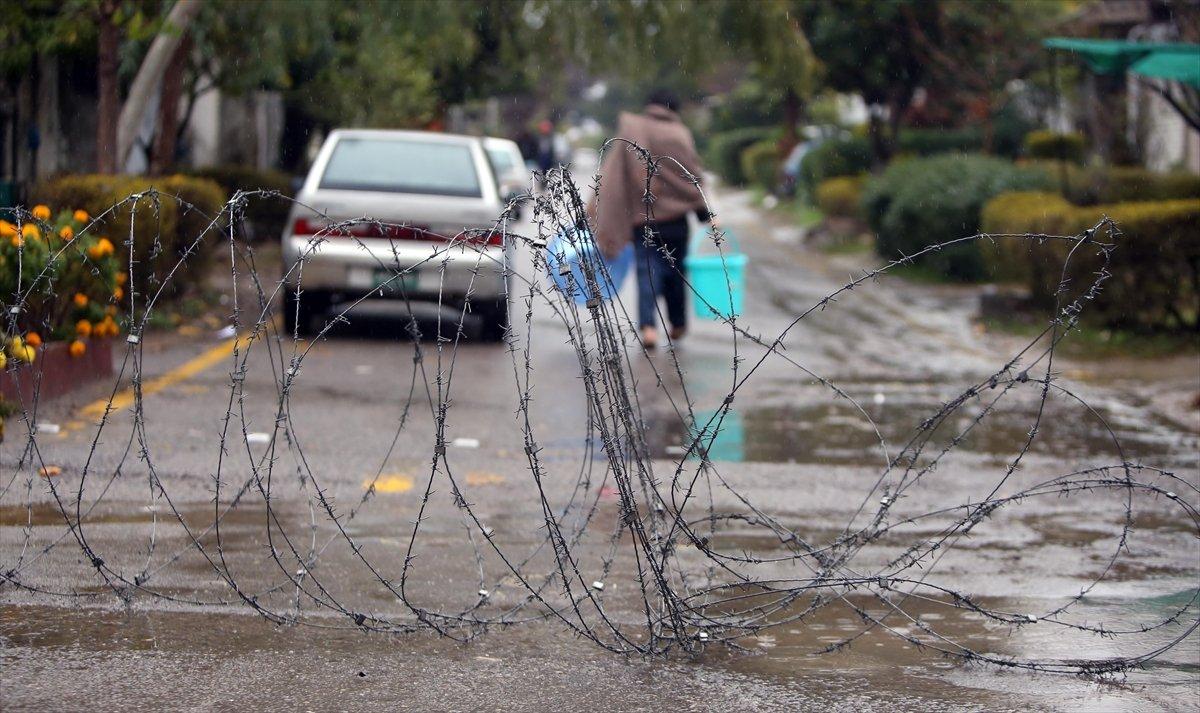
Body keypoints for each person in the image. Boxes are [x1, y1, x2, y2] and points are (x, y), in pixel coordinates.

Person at [590, 89, 712, 349]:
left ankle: (648, 328)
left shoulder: (633, 131)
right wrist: (703, 213)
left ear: (649, 106)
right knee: (676, 273)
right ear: (674, 109)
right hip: (677, 222)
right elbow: (691, 176)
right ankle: (678, 324)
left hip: (643, 219)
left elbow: (614, 176)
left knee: (647, 272)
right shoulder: (680, 134)